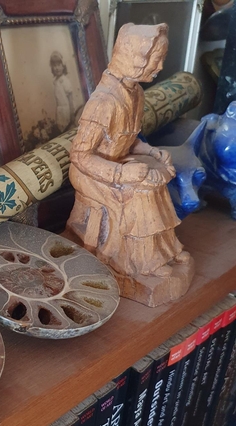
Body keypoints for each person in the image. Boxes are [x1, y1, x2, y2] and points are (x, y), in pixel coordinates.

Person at [67, 23, 191, 279]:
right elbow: (79, 156)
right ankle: (139, 261)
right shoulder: (103, 102)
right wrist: (120, 174)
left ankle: (165, 248)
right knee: (137, 191)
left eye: (161, 60)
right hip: (90, 172)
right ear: (133, 57)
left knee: (157, 178)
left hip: (118, 161)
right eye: (155, 60)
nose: (159, 68)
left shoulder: (135, 94)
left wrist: (151, 151)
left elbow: (129, 140)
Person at [50, 51, 75, 133]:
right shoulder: (56, 81)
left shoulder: (64, 81)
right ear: (52, 68)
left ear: (63, 66)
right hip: (60, 111)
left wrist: (72, 113)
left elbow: (70, 98)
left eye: (59, 65)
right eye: (54, 66)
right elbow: (58, 100)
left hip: (66, 110)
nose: (57, 68)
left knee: (68, 130)